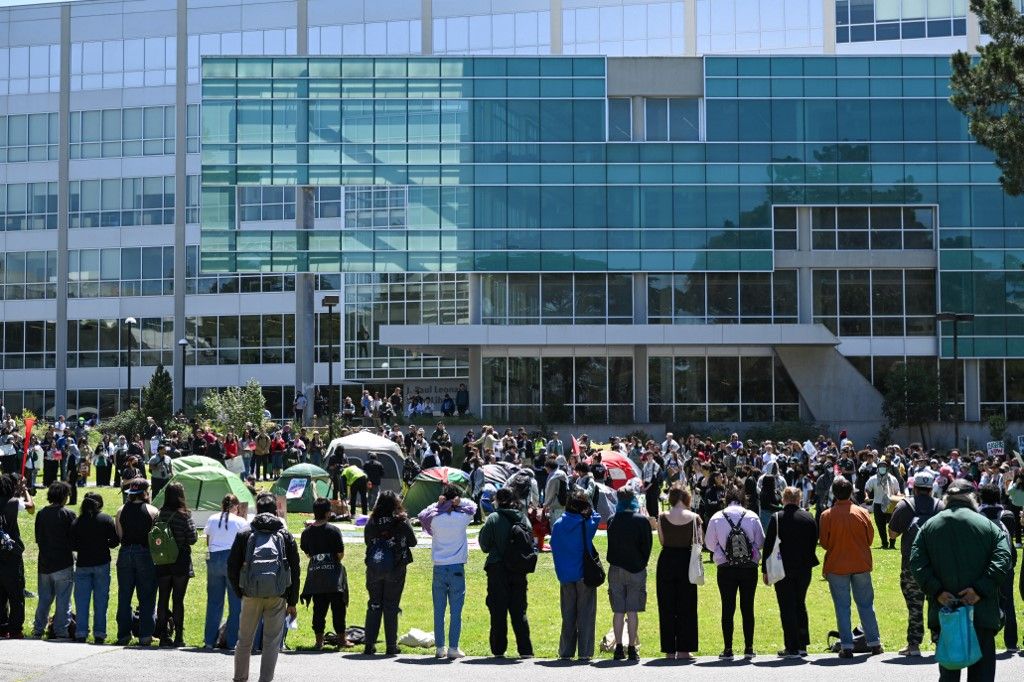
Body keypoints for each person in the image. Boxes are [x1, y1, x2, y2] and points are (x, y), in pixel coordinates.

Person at [911, 479, 1012, 682]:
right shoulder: (989, 526)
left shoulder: (929, 526)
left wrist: (937, 591)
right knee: (982, 675)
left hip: (946, 611)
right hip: (981, 611)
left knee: (948, 674)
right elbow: (1003, 559)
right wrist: (979, 590)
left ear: (946, 498)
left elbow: (916, 562)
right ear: (973, 498)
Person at [229, 491, 301, 682]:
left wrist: (240, 591)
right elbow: (295, 568)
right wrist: (292, 600)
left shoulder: (245, 533)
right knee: (271, 642)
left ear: (257, 511)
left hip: (250, 594)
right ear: (275, 511)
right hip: (277, 595)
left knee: (244, 641)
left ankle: (240, 678)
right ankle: (265, 679)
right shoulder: (285, 535)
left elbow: (232, 566)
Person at [819, 476, 883, 658]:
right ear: (851, 492)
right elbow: (870, 539)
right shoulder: (862, 512)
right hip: (860, 563)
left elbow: (824, 543)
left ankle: (846, 645)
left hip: (837, 565)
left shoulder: (826, 515)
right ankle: (875, 642)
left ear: (834, 494)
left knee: (842, 607)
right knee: (866, 605)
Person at [887, 470, 943, 657]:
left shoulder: (905, 506)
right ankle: (940, 643)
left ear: (915, 487)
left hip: (911, 566)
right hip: (936, 566)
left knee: (914, 606)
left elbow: (892, 534)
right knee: (937, 604)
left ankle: (913, 645)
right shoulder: (940, 506)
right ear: (931, 487)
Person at [704, 485, 764, 659]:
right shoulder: (752, 516)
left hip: (725, 567)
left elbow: (709, 544)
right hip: (748, 567)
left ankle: (728, 648)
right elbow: (760, 542)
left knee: (727, 608)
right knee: (748, 607)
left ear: (726, 499)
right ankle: (749, 647)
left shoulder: (716, 517)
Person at [418, 484, 477, 659]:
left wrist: (437, 504)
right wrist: (458, 502)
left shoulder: (434, 518)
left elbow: (422, 514)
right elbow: (473, 506)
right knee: (456, 611)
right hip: (457, 566)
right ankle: (453, 647)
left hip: (439, 567)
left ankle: (439, 647)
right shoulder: (462, 517)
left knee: (439, 610)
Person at [761, 486, 818, 658]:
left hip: (782, 568)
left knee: (787, 607)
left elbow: (768, 546)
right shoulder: (809, 517)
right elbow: (814, 541)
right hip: (803, 569)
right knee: (800, 603)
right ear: (799, 499)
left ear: (783, 499)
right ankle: (802, 644)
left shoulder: (777, 518)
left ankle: (791, 646)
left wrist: (765, 569)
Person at [479, 486, 534, 658]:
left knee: (498, 611)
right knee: (519, 611)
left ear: (497, 500)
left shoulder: (493, 518)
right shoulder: (523, 518)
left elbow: (484, 545)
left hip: (497, 569)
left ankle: (498, 649)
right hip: (518, 569)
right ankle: (525, 650)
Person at [362, 490, 417, 656]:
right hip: (396, 567)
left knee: (374, 604)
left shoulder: (372, 521)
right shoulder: (401, 520)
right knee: (391, 605)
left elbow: (367, 541)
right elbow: (413, 542)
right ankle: (391, 646)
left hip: (374, 567)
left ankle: (369, 644)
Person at [550, 491, 601, 661]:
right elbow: (597, 516)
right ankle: (585, 652)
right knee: (586, 615)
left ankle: (566, 651)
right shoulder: (586, 524)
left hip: (565, 575)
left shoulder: (558, 524)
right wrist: (589, 510)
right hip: (583, 574)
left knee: (568, 615)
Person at [606, 486, 652, 661]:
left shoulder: (612, 520)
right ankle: (632, 648)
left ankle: (618, 648)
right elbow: (646, 547)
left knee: (618, 611)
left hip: (616, 568)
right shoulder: (641, 521)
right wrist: (641, 563)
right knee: (632, 611)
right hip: (636, 569)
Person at [656, 484, 702, 660]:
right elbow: (700, 541)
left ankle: (669, 649)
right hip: (686, 560)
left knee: (666, 605)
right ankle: (684, 649)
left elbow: (662, 540)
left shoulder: (662, 516)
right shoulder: (695, 517)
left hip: (667, 559)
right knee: (687, 606)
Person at [114, 478, 159, 645]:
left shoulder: (120, 510)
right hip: (145, 553)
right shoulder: (153, 511)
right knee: (147, 595)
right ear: (145, 492)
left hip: (125, 552)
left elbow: (119, 535)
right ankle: (146, 634)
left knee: (124, 595)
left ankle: (123, 634)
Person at [300, 497, 348, 651]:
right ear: (328, 513)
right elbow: (340, 554)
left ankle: (319, 641)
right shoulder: (334, 530)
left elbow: (308, 554)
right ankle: (341, 639)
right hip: (333, 576)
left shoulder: (306, 532)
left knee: (318, 609)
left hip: (316, 576)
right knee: (338, 608)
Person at [70, 492, 118, 644]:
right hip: (102, 563)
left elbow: (72, 544)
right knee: (101, 601)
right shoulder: (105, 519)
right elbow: (115, 540)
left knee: (82, 601)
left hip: (83, 564)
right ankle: (99, 633)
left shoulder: (78, 521)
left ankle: (81, 633)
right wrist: (106, 543)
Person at [154, 481, 198, 647]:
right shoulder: (184, 515)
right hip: (180, 561)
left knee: (163, 598)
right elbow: (193, 539)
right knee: (178, 600)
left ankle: (163, 635)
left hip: (163, 560)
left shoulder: (160, 514)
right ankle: (179, 636)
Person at [203, 494, 249, 651]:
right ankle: (231, 641)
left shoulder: (212, 518)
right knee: (235, 603)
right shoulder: (241, 521)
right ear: (235, 507)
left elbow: (208, 541)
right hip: (231, 560)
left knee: (214, 602)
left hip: (214, 558)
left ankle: (209, 640)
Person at [977, 484, 1019, 652]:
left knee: (983, 602)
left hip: (984, 566)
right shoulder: (1007, 515)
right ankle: (1011, 643)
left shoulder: (977, 515)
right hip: (1006, 564)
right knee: (1008, 603)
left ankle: (984, 640)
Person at [32, 481, 76, 640]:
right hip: (63, 562)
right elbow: (74, 539)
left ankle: (38, 629)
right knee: (63, 600)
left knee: (44, 599)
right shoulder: (68, 514)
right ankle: (61, 631)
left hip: (44, 563)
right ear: (64, 496)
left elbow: (38, 538)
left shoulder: (41, 514)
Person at [0, 474, 30, 638]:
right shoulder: (13, 503)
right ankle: (15, 628)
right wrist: (24, 490)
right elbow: (30, 505)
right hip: (12, 553)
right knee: (16, 592)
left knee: (1, 593)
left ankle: (2, 625)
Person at [864, 458, 901, 549]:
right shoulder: (873, 479)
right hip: (878, 504)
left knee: (892, 525)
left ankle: (892, 544)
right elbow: (867, 489)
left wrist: (899, 496)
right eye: (880, 466)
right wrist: (866, 496)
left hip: (890, 503)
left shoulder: (892, 479)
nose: (882, 468)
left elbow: (897, 491)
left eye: (884, 466)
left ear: (887, 468)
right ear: (878, 468)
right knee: (880, 526)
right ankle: (884, 543)